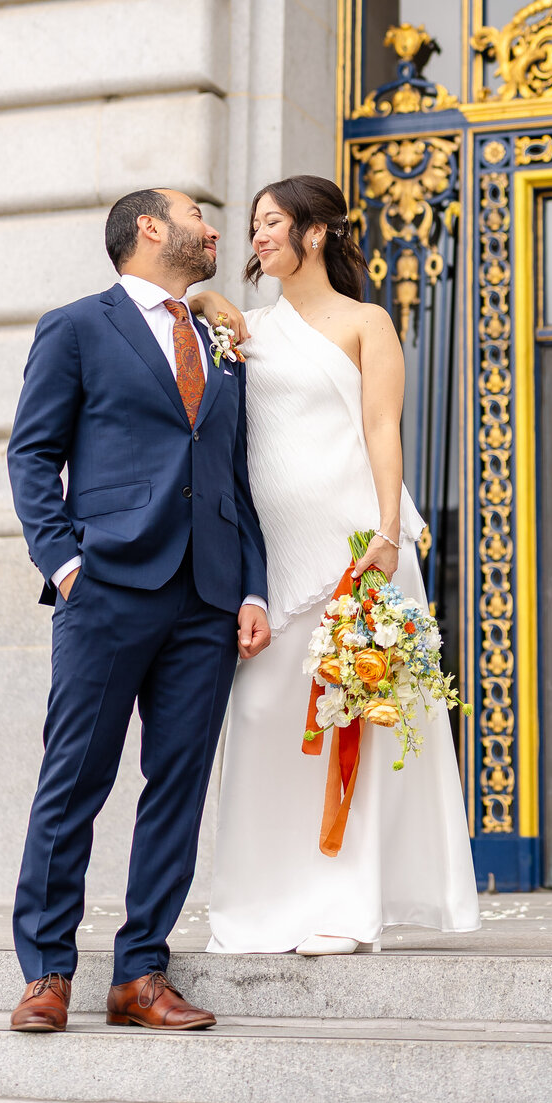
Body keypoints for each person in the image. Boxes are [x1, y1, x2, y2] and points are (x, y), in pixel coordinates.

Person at [6, 189, 271, 1032]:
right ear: (151, 228)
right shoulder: (77, 327)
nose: (217, 229)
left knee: (178, 787)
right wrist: (66, 562)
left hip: (208, 597)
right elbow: (33, 452)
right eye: (201, 214)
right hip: (108, 587)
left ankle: (139, 975)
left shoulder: (218, 342)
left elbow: (233, 474)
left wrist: (253, 585)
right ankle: (47, 972)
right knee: (74, 779)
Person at [193, 174, 479, 955]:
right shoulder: (245, 328)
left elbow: (383, 430)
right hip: (277, 558)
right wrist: (210, 301)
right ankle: (261, 904)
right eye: (253, 227)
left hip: (360, 548)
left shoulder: (367, 322)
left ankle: (344, 908)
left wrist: (387, 533)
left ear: (314, 233)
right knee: (262, 721)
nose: (257, 239)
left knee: (354, 726)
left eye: (271, 224)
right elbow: (185, 312)